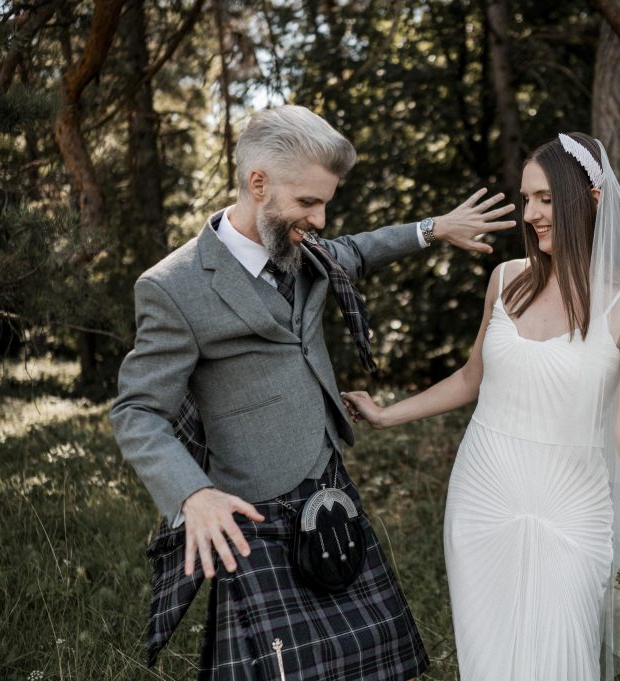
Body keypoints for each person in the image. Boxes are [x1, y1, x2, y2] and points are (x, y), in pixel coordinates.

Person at [109, 104, 515, 681]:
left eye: (325, 203)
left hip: (327, 483)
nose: (321, 219)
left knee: (373, 656)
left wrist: (433, 229)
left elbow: (359, 250)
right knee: (281, 670)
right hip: (252, 507)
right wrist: (192, 496)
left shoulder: (302, 252)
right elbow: (137, 411)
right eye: (308, 203)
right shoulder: (173, 288)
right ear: (258, 184)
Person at [342, 132, 620, 680]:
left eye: (546, 199)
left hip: (572, 507)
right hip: (483, 497)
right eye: (527, 198)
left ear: (591, 199)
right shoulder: (506, 280)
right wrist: (388, 413)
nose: (530, 213)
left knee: (560, 658)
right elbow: (470, 378)